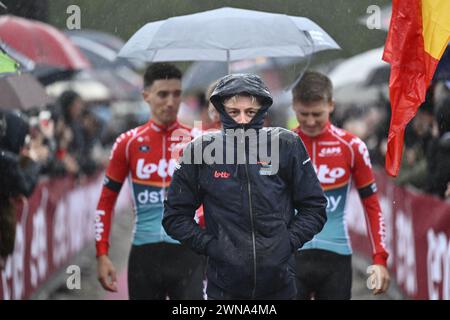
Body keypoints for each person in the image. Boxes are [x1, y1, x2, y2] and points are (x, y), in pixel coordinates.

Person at [163, 73, 327, 300]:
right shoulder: (199, 150)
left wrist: (287, 242)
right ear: (221, 110)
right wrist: (212, 246)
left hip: (281, 286)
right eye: (233, 112)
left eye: (250, 112)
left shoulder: (287, 144)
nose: (242, 120)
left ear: (262, 110)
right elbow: (174, 216)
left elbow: (315, 207)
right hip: (224, 289)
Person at [95, 63, 203, 300]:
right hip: (145, 257)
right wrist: (102, 254)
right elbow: (106, 201)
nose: (171, 102)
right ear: (146, 96)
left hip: (189, 254)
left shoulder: (199, 141)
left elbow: (215, 197)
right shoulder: (128, 143)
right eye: (163, 94)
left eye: (176, 94)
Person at [291, 71, 390, 299]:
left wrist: (379, 258)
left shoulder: (351, 146)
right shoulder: (282, 145)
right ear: (294, 105)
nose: (310, 121)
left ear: (331, 105)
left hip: (335, 257)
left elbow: (372, 205)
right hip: (292, 256)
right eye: (303, 114)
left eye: (317, 114)